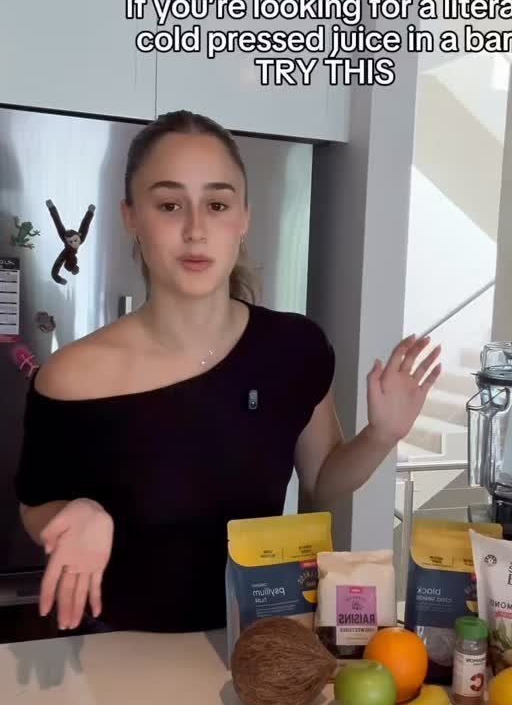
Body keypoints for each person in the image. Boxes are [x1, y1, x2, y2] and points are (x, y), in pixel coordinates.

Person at [15, 110, 442, 634]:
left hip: (257, 643)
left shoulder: (295, 348)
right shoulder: (71, 374)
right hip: (118, 650)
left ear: (243, 219)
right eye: (169, 205)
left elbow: (322, 478)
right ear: (131, 217)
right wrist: (77, 512)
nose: (196, 230)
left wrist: (381, 436)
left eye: (217, 205)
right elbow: (35, 504)